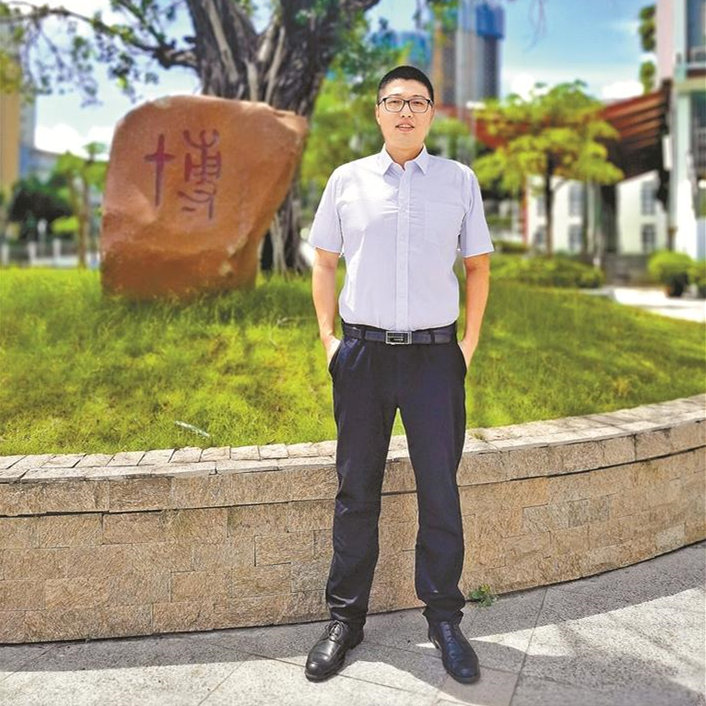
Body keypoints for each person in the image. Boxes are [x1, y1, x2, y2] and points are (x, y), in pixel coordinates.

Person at [306, 65, 493, 685]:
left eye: (417, 101)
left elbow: (478, 267)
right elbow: (324, 262)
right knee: (355, 490)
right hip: (361, 356)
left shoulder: (459, 180)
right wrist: (329, 342)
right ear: (378, 112)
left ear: (432, 112)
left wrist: (466, 346)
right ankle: (345, 619)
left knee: (440, 489)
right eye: (394, 101)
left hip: (435, 360)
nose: (405, 110)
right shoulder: (347, 180)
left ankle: (444, 620)